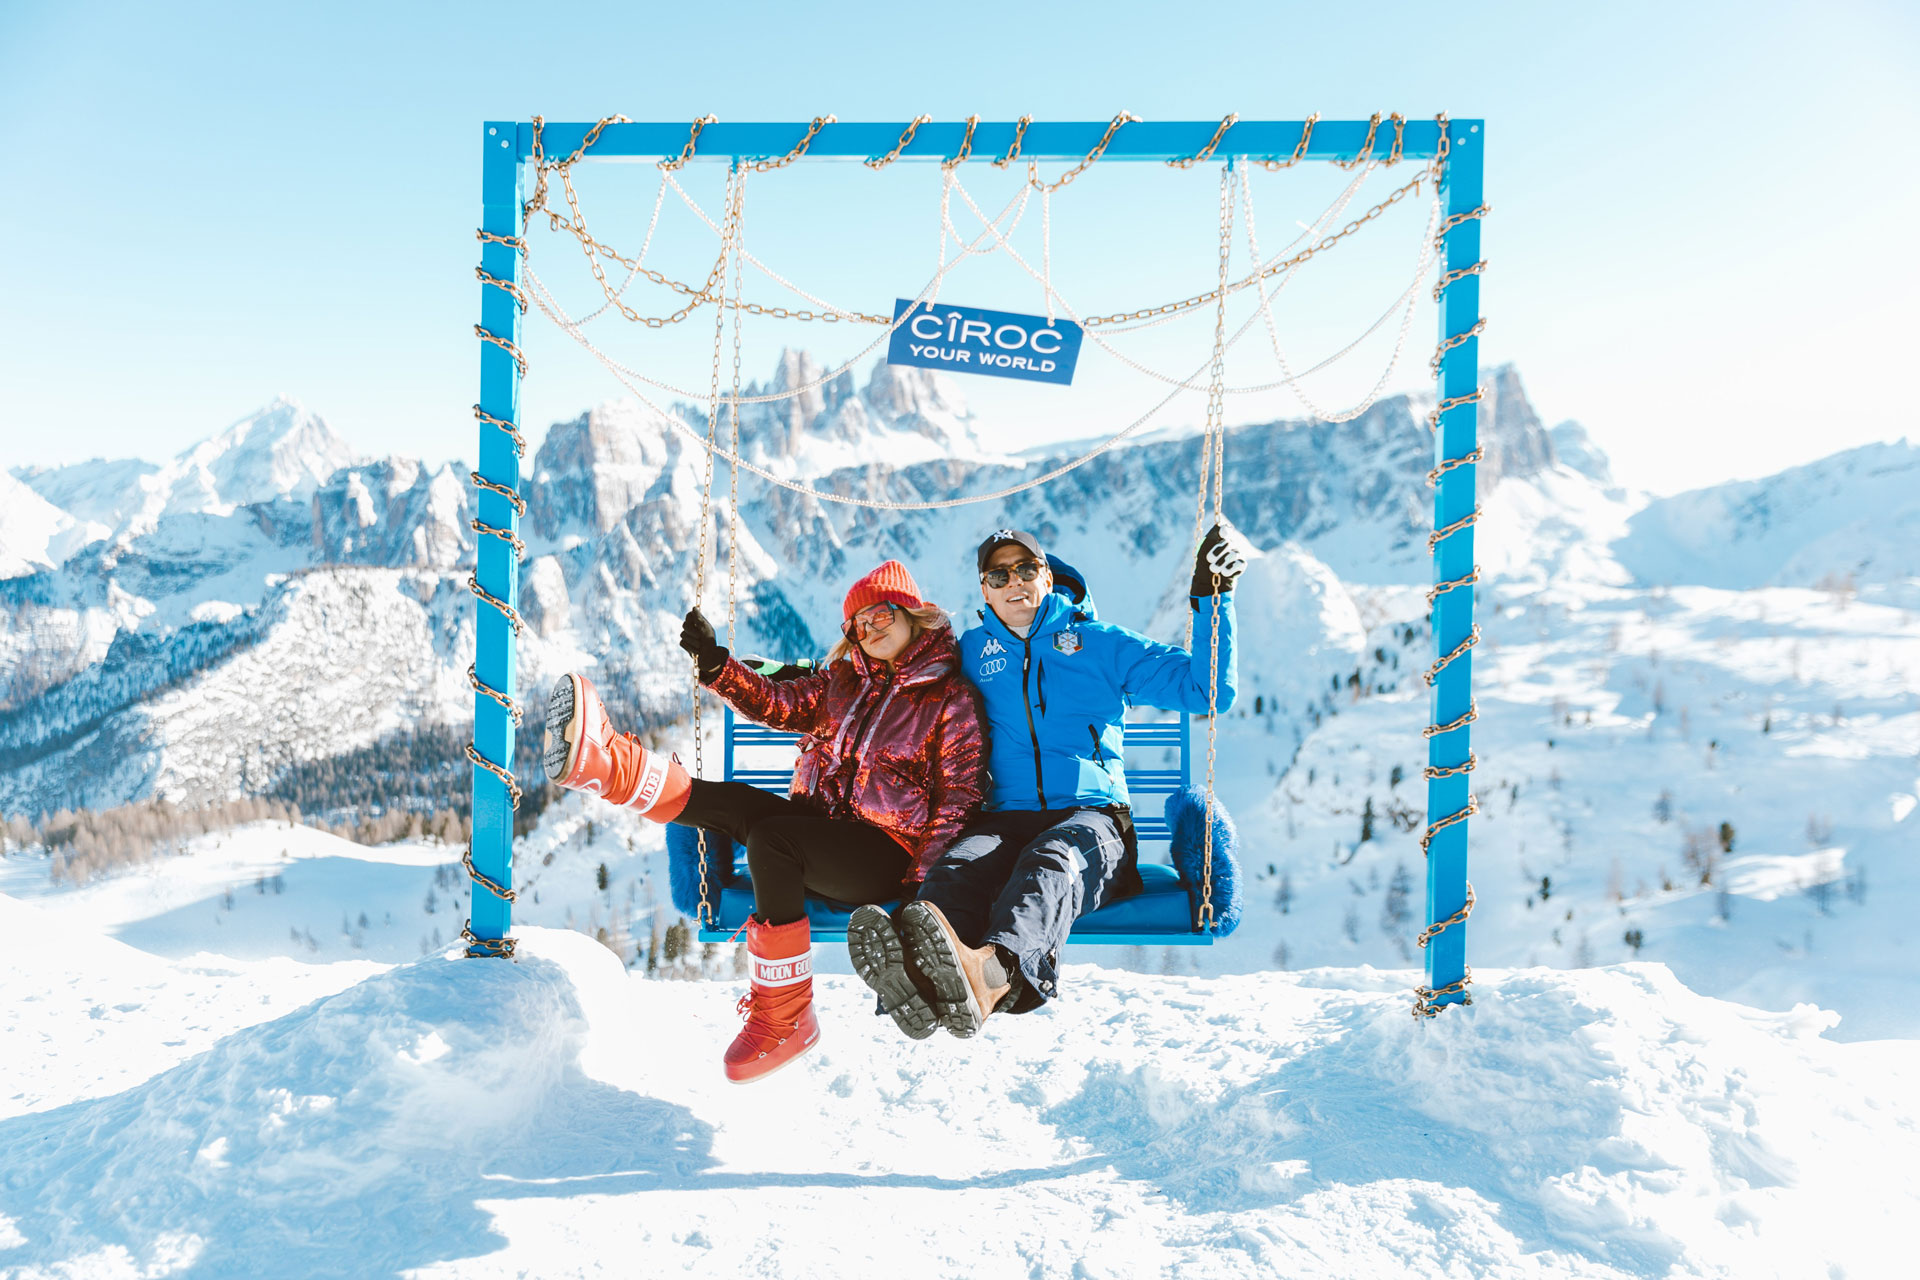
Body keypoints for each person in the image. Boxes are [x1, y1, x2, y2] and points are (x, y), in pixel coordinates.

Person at [543, 560, 986, 1082]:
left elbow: (957, 801)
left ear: (913, 612)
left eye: (881, 615)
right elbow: (778, 702)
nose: (869, 630)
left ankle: (786, 1017)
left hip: (886, 852)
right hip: (821, 827)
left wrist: (923, 890)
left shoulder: (950, 698)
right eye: (857, 625)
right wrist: (716, 664)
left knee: (773, 839)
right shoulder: (844, 681)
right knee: (737, 804)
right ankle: (610, 766)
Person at [847, 526, 1244, 1038]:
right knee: (958, 868)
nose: (1014, 582)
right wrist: (782, 675)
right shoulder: (971, 652)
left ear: (1047, 577)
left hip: (1094, 820)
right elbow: (891, 674)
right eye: (999, 575)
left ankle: (995, 975)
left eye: (1025, 569)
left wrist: (1213, 598)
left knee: (1051, 861)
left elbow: (1207, 691)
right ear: (984, 590)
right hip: (1005, 820)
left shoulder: (1102, 644)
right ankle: (922, 980)